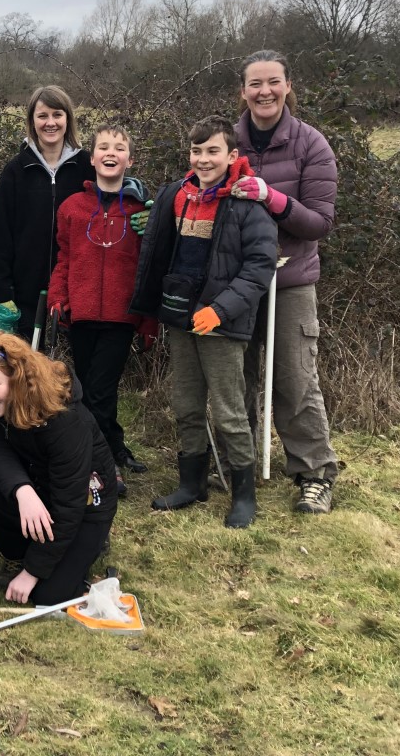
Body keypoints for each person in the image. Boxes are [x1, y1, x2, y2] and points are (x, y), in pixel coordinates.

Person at [129, 115, 277, 528]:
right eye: (197, 151)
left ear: (232, 155)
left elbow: (259, 267)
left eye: (213, 151)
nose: (203, 159)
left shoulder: (248, 205)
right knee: (186, 404)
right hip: (180, 319)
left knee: (229, 410)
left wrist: (221, 310)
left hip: (222, 325)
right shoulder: (176, 195)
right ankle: (191, 483)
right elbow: (161, 253)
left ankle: (243, 493)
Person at [232, 50, 341, 514]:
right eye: (255, 83)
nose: (265, 91)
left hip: (289, 280)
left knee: (295, 379)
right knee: (236, 380)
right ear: (243, 91)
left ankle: (315, 474)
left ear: (288, 85)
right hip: (236, 283)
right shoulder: (226, 142)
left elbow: (319, 223)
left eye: (273, 82)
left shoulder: (311, 145)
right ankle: (237, 465)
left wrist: (271, 197)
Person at [0, 331, 117, 605]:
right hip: (40, 487)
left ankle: (87, 547)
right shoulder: (2, 404)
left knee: (48, 596)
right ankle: (18, 558)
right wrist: (23, 490)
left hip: (85, 506)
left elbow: (69, 506)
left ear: (18, 379)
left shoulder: (65, 422)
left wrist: (33, 573)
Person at [47, 126, 155, 484]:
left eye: (120, 148)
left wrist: (148, 319)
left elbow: (147, 266)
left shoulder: (141, 211)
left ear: (129, 159)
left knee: (100, 389)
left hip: (121, 317)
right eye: (104, 147)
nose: (111, 153)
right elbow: (64, 257)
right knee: (91, 388)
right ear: (91, 158)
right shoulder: (72, 208)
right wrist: (58, 298)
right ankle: (113, 448)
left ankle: (103, 461)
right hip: (82, 314)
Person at [0, 85, 94, 340]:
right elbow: (0, 236)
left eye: (57, 114)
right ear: (32, 121)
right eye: (42, 116)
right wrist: (1, 292)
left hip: (75, 293)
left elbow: (116, 188)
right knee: (27, 373)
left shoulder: (87, 168)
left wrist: (136, 197)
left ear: (68, 118)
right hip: (24, 296)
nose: (50, 123)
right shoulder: (16, 171)